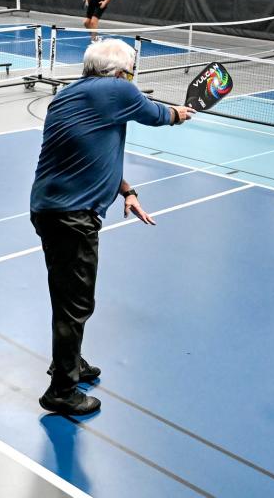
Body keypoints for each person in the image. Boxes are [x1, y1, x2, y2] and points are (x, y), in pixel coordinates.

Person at [30, 38, 195, 416]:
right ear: (122, 71)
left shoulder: (69, 95)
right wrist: (180, 113)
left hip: (48, 209)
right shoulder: (118, 90)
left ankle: (67, 364)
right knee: (77, 304)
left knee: (66, 297)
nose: (132, 76)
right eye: (131, 69)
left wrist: (127, 190)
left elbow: (92, 152)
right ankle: (62, 391)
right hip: (73, 216)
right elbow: (160, 115)